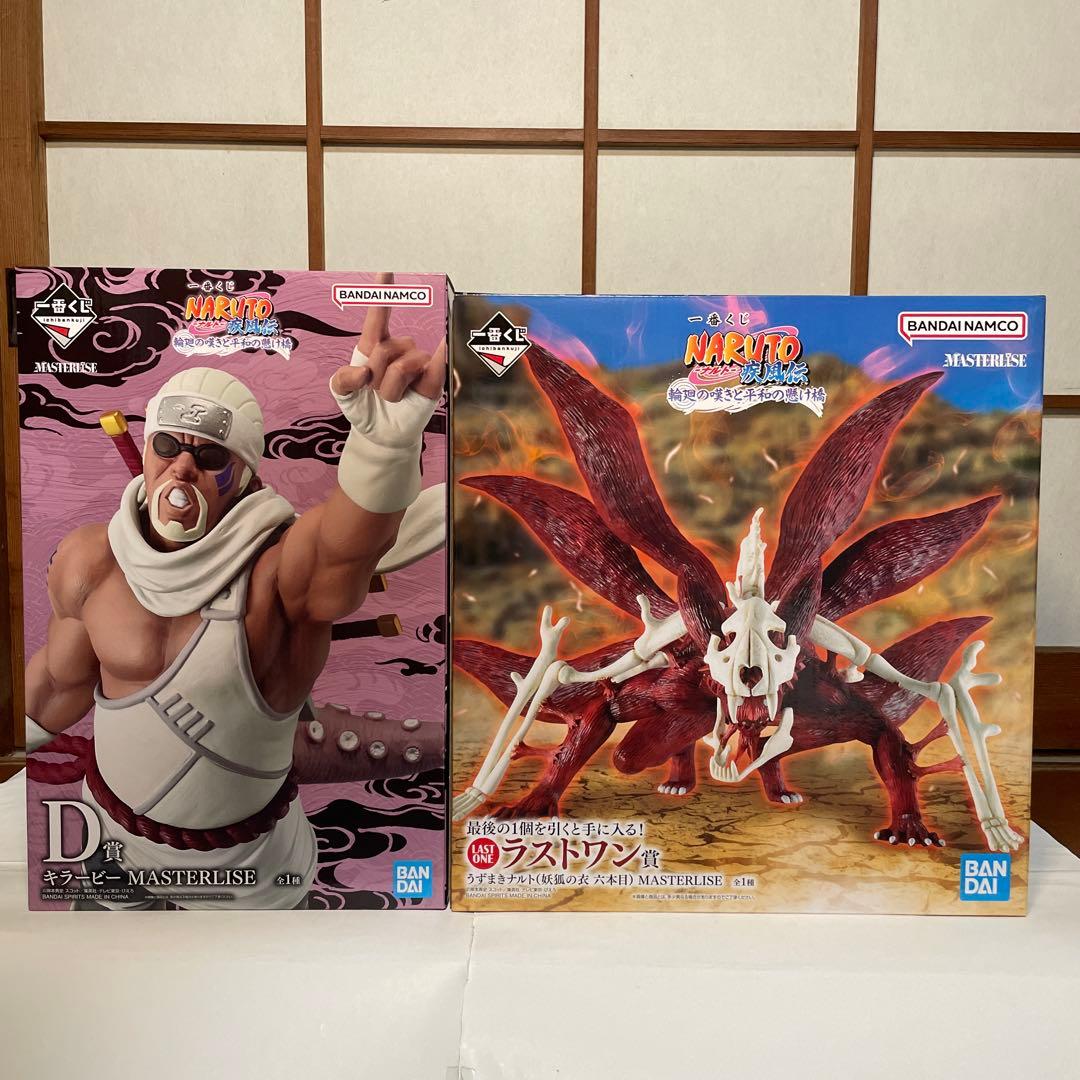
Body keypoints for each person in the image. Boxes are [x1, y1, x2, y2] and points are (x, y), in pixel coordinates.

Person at [24, 288, 444, 909]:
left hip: (248, 876)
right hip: (108, 849)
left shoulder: (274, 573)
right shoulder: (91, 560)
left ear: (245, 475)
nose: (182, 468)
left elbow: (342, 548)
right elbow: (54, 691)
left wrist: (382, 451)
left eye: (209, 454)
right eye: (168, 446)